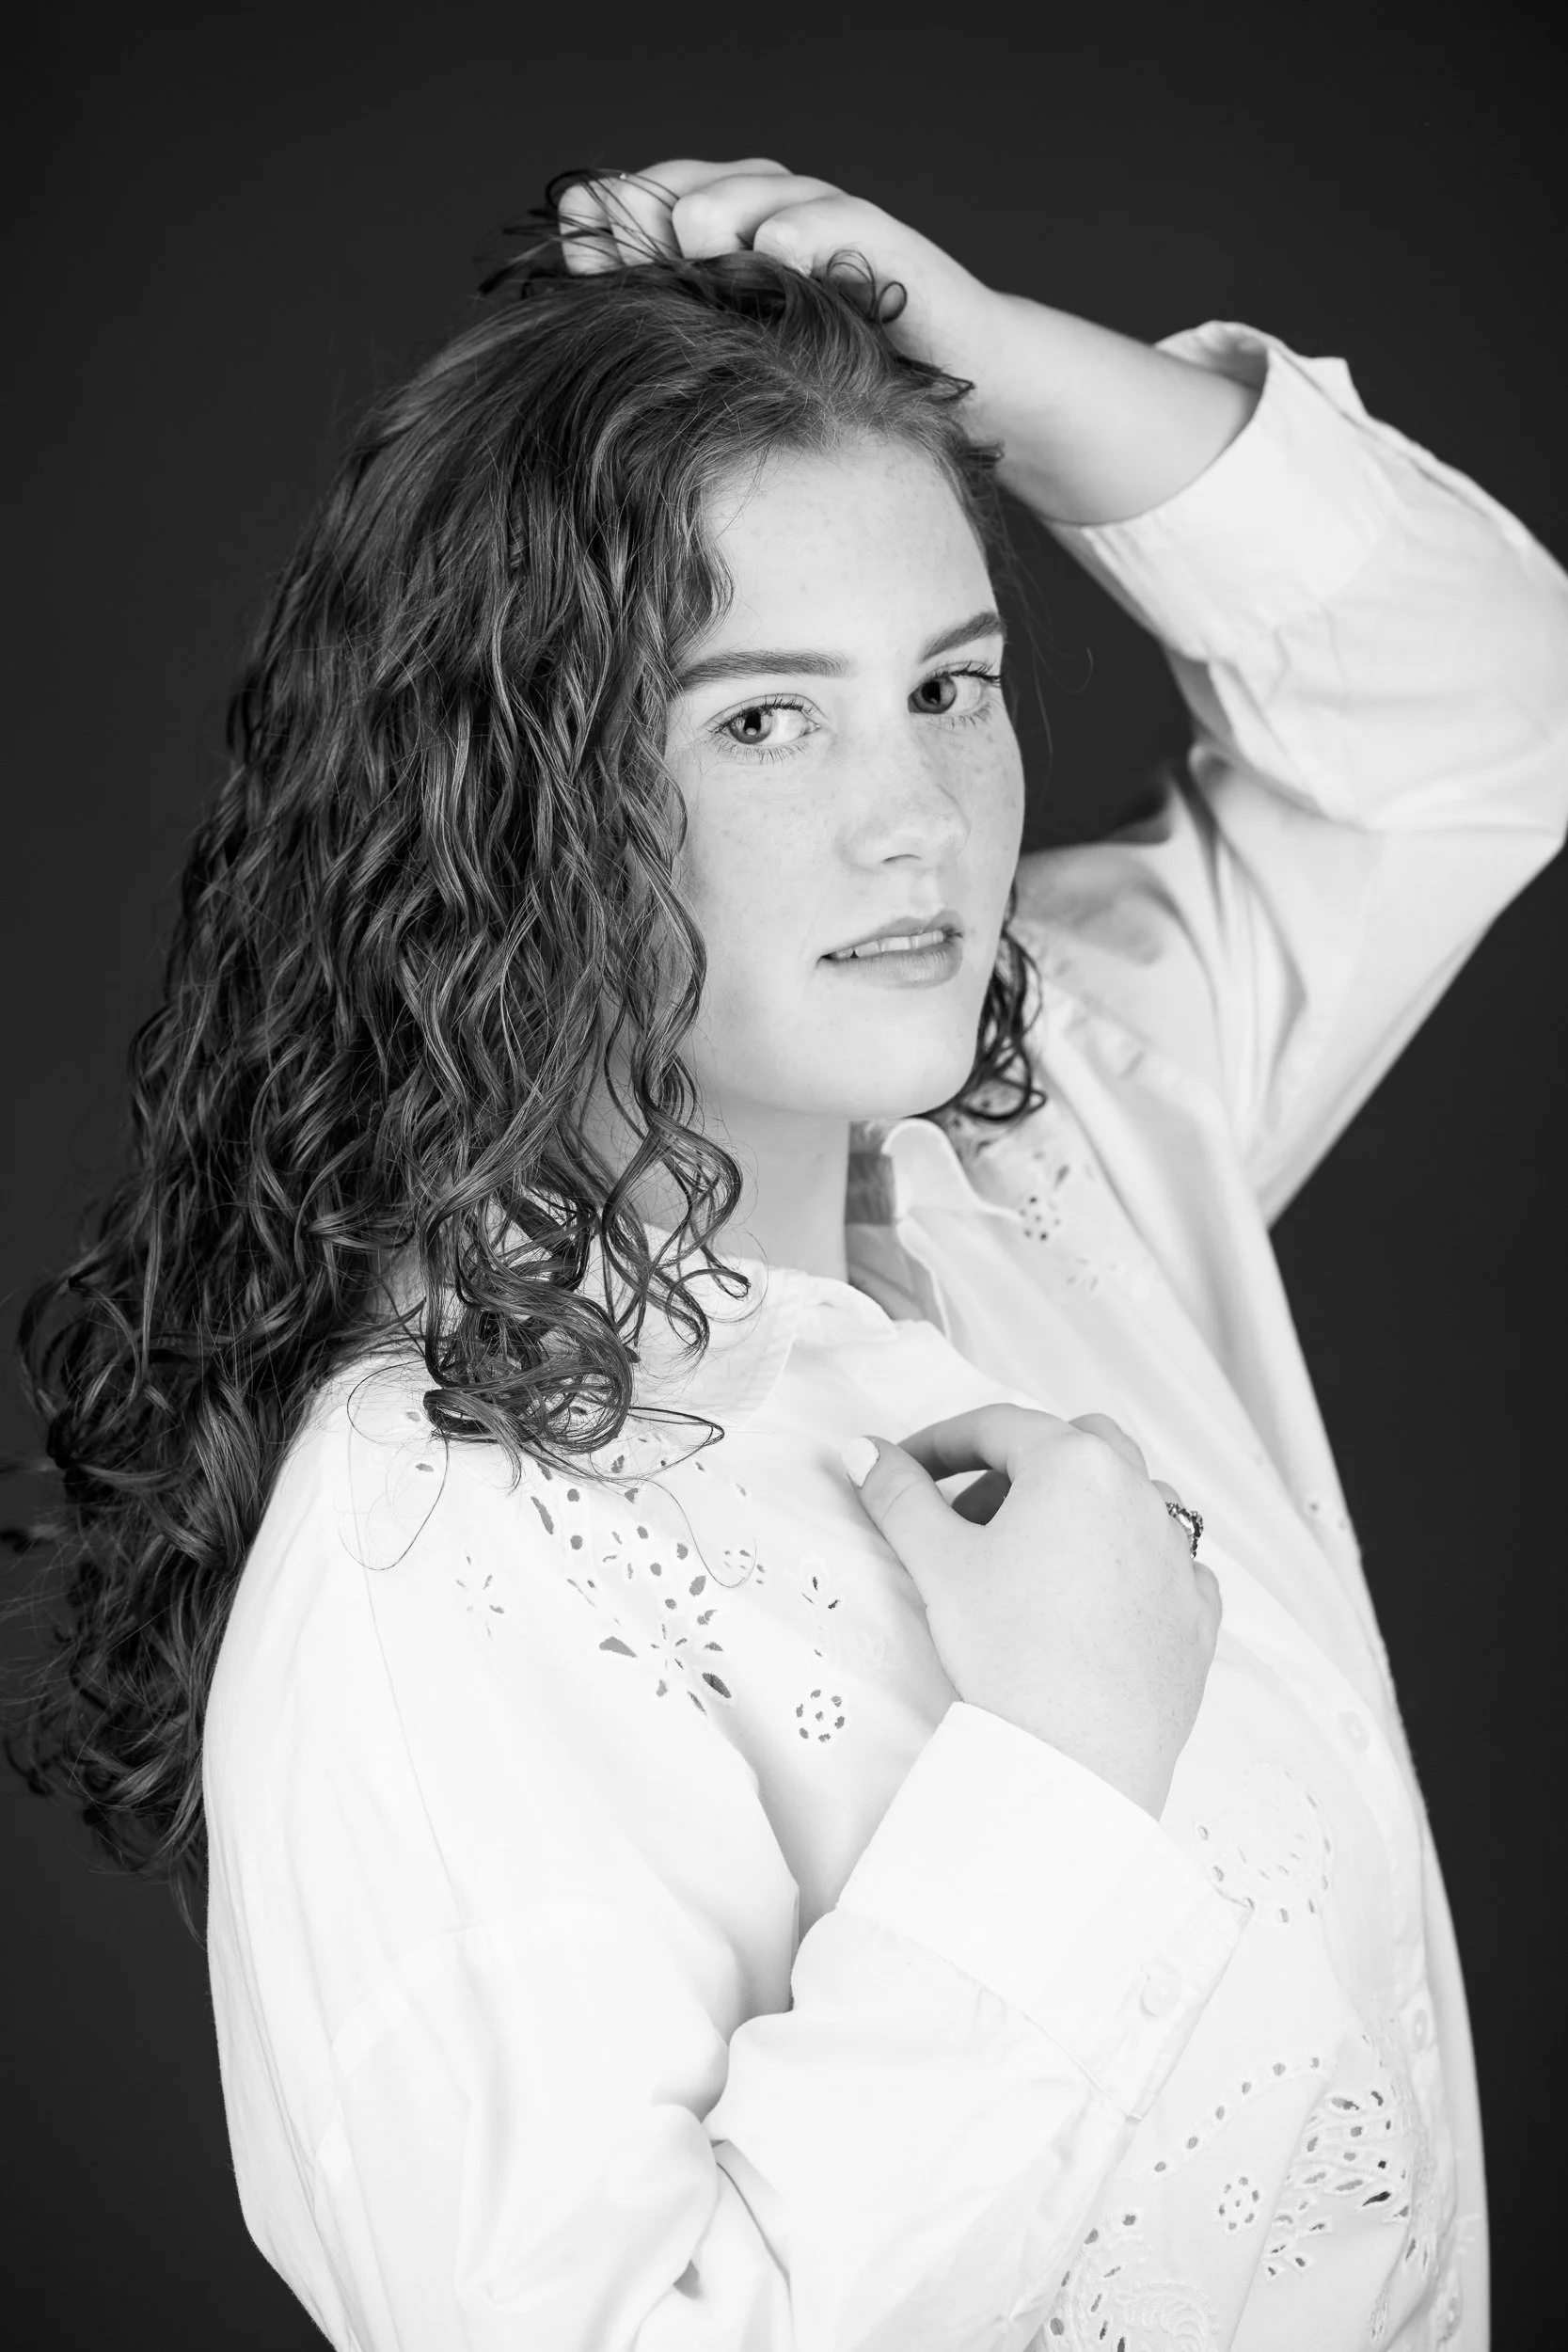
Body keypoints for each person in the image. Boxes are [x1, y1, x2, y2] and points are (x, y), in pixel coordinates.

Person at [9, 155, 1565, 2350]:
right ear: (512, 791)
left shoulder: (1051, 1140)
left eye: (951, 682)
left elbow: (1481, 710)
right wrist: (1057, 1768)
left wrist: (987, 360)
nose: (913, 819)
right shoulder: (439, 1525)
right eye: (761, 717)